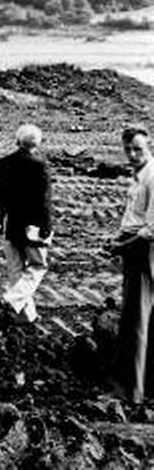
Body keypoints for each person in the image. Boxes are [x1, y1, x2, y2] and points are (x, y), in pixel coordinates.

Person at [0, 123, 53, 323]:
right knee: (37, 266)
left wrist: (2, 219)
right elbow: (44, 200)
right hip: (33, 224)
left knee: (16, 269)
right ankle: (11, 300)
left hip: (11, 221)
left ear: (17, 141)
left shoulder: (3, 163)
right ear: (39, 143)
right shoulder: (40, 165)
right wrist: (46, 226)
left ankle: (27, 315)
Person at [110, 126, 154, 403]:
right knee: (138, 315)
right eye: (127, 149)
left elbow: (151, 228)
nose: (132, 154)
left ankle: (131, 392)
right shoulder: (138, 175)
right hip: (133, 244)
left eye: (137, 148)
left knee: (136, 319)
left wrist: (121, 246)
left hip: (144, 249)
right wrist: (116, 238)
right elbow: (133, 214)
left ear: (149, 145)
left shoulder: (153, 177)